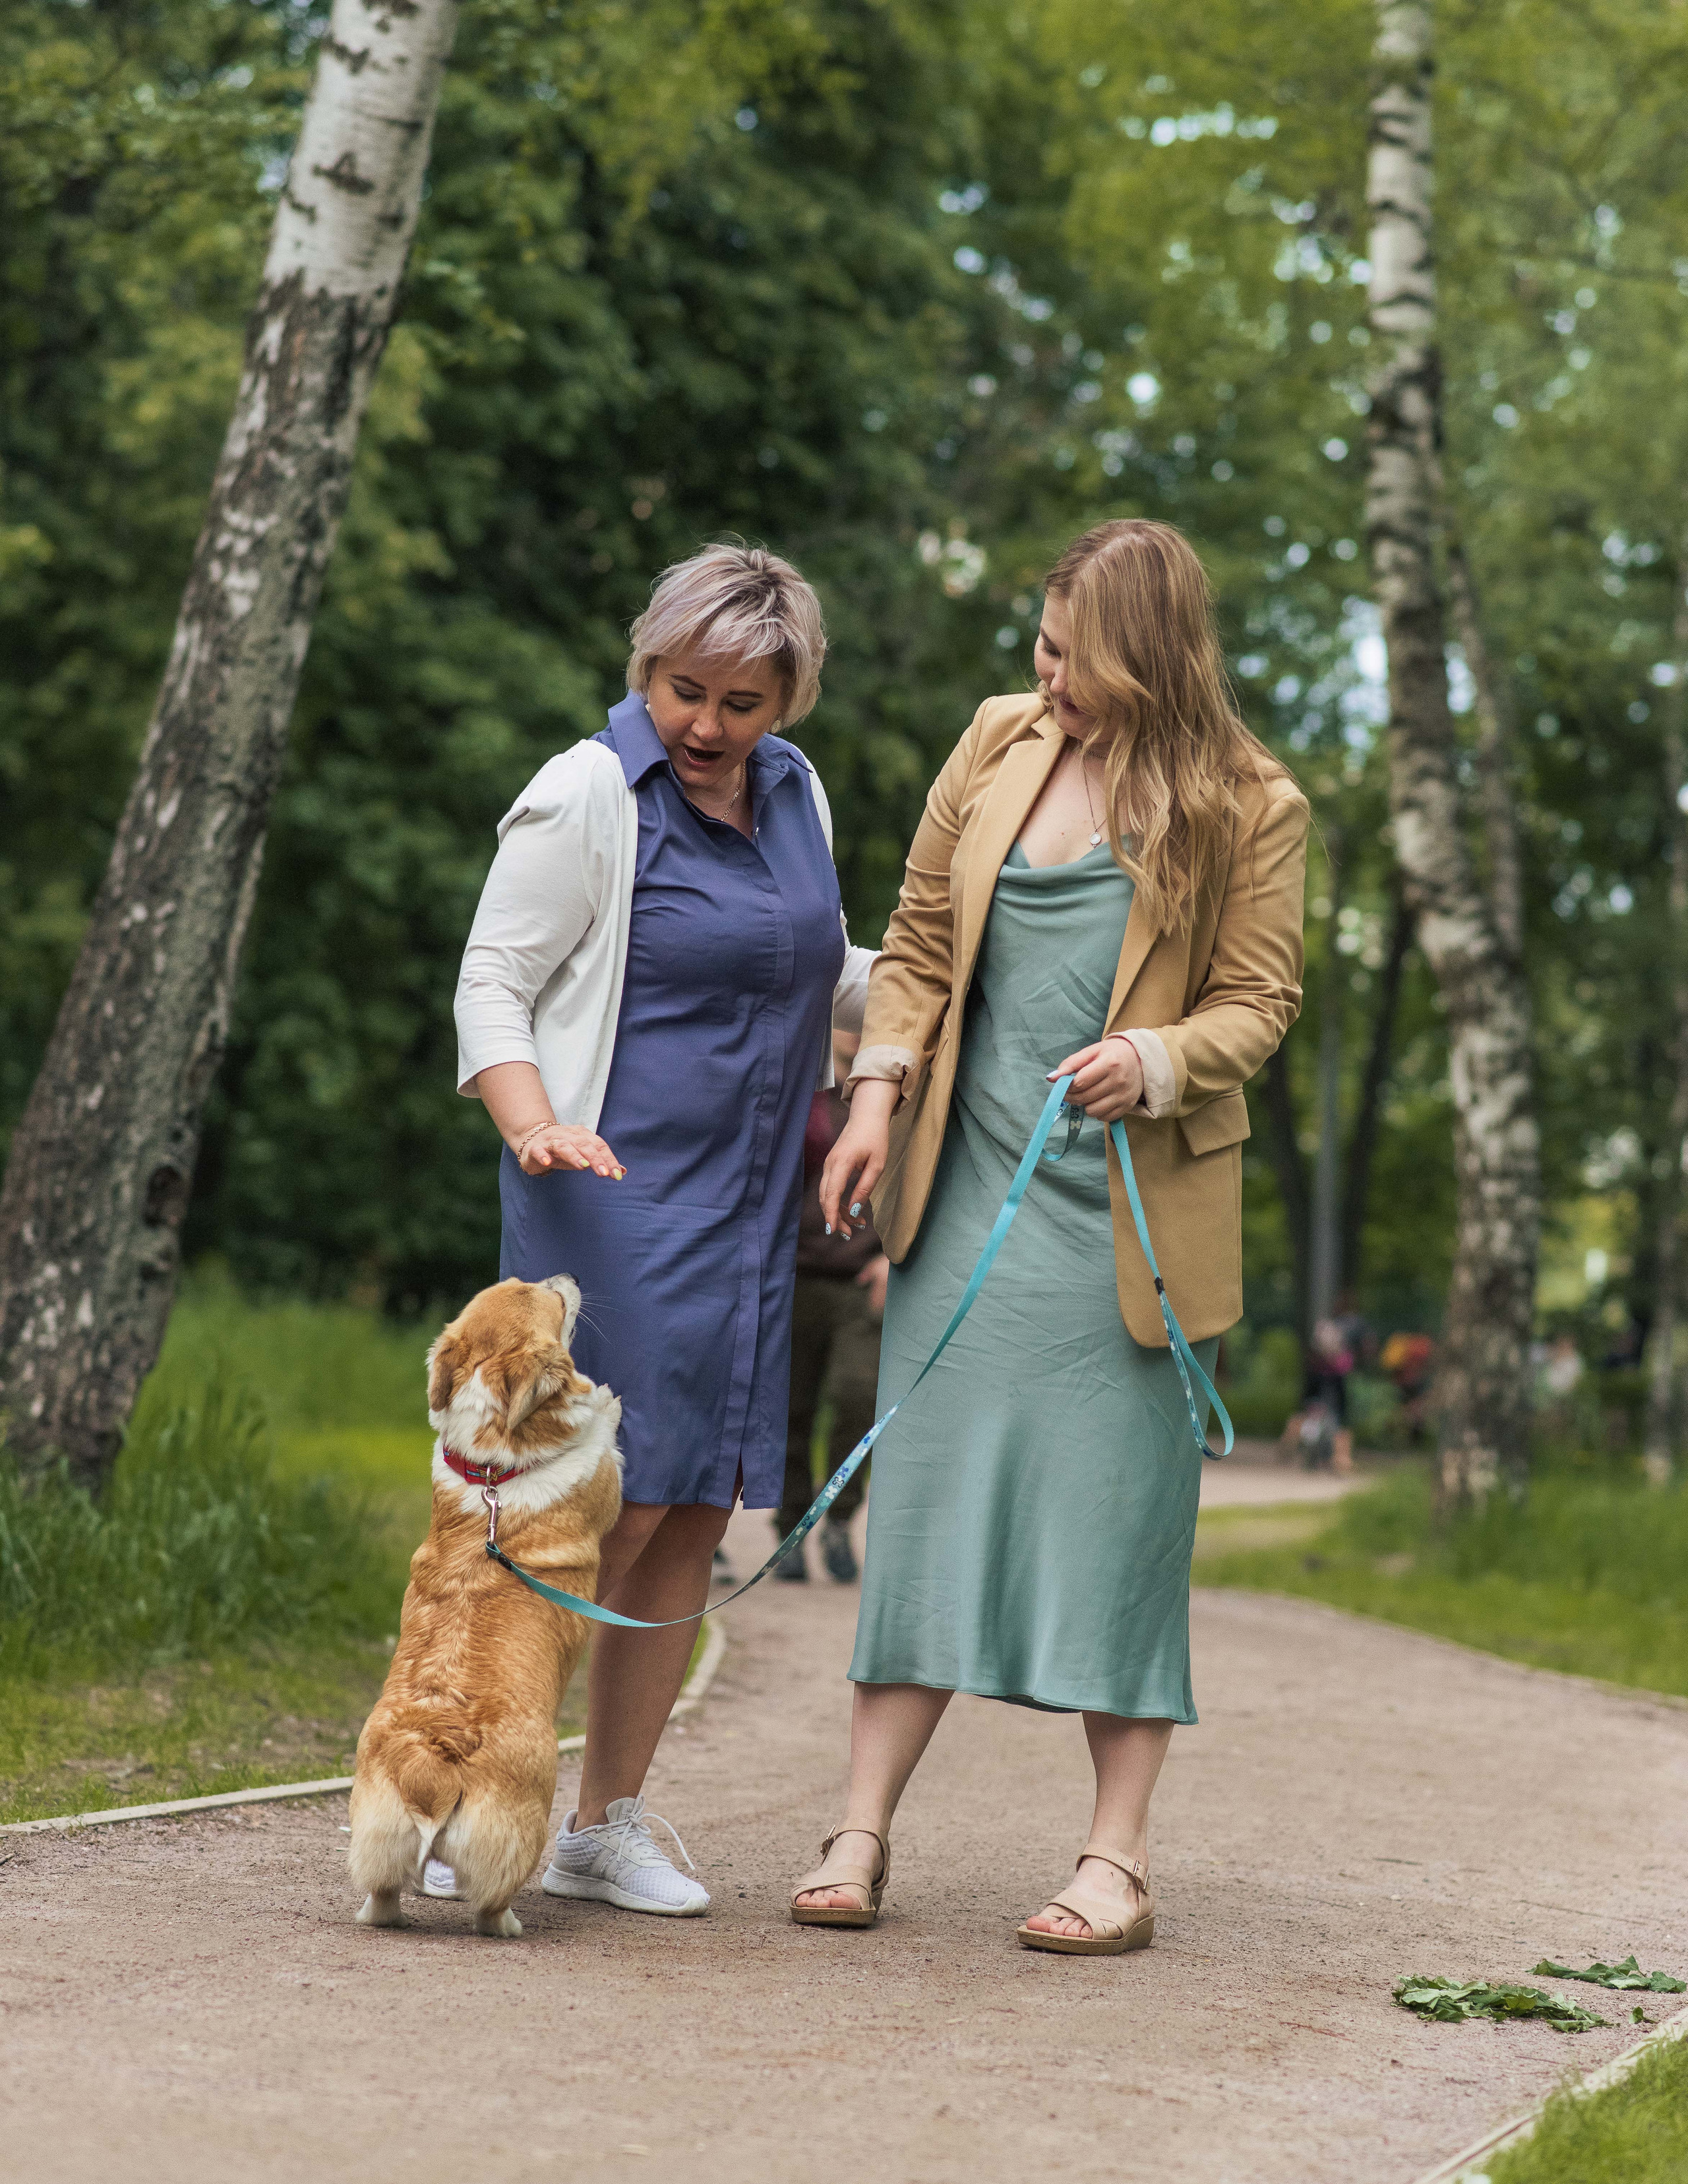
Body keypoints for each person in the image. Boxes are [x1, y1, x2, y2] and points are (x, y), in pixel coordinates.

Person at [790, 518, 1308, 1951]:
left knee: (1117, 1528)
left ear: (1148, 657)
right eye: (1041, 647)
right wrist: (874, 1098)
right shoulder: (996, 741)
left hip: (1125, 1221)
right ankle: (857, 1831)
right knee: (930, 1506)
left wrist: (1154, 1061)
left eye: (1077, 659)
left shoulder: (1246, 801)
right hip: (966, 1193)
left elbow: (1259, 1002)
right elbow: (913, 942)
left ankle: (1112, 1862)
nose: (1050, 678)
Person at [439, 542, 874, 1917]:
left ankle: (600, 1822)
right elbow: (493, 980)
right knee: (586, 1517)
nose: (706, 725)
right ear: (648, 668)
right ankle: (469, 1801)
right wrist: (528, 1124)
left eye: (741, 702)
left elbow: (824, 965)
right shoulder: (586, 792)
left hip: (750, 1200)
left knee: (689, 1503)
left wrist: (953, 985)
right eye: (685, 690)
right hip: (605, 1189)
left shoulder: (795, 796)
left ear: (787, 699)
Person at [776, 1033, 889, 1585]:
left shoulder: (896, 1096)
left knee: (857, 1398)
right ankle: (789, 1531)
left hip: (862, 1280)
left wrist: (896, 1255)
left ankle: (841, 1520)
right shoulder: (799, 1091)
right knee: (787, 1410)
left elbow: (923, 1178)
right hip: (793, 1275)